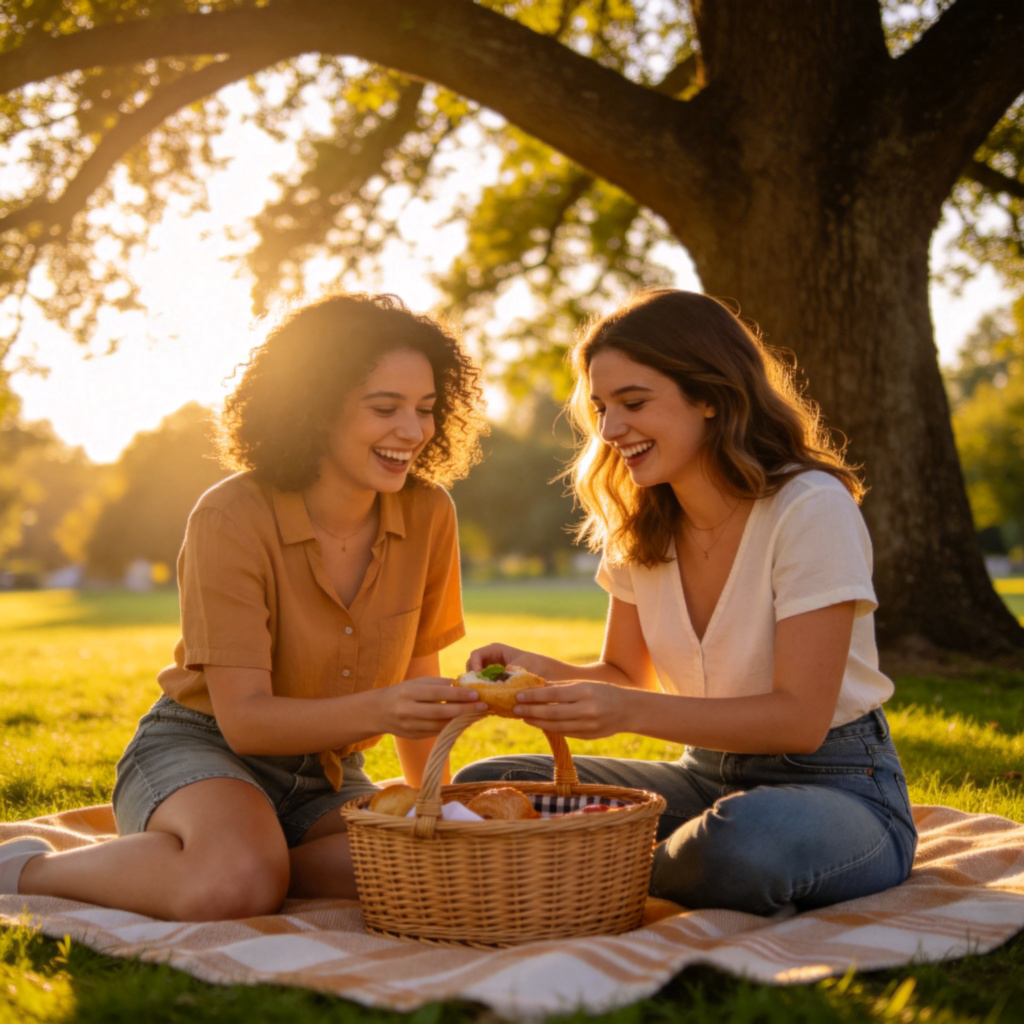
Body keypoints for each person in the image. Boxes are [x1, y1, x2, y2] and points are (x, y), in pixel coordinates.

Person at [0, 292, 489, 920]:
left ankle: (252, 858)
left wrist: (437, 810)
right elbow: (247, 722)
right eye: (384, 408)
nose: (413, 431)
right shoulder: (230, 515)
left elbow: (420, 681)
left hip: (328, 774)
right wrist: (381, 706)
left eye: (425, 409)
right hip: (202, 749)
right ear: (315, 408)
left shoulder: (429, 513)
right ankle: (25, 867)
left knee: (433, 870)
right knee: (232, 885)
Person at [453, 288, 917, 917]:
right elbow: (621, 676)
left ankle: (578, 869)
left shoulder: (809, 507)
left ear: (709, 396)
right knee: (487, 786)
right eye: (601, 407)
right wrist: (531, 669)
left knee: (742, 843)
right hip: (703, 778)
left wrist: (624, 711)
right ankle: (610, 862)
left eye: (634, 403)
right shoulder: (641, 525)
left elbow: (800, 720)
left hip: (837, 787)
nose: (612, 430)